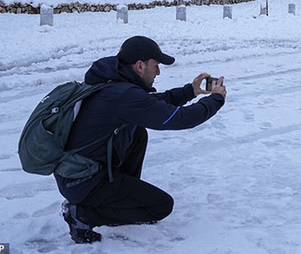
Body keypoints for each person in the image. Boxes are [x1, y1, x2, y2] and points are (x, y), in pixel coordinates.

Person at [56, 35, 226, 244]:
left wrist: (189, 91)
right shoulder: (123, 95)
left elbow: (150, 103)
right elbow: (180, 119)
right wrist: (216, 99)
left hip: (77, 175)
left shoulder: (114, 84)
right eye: (155, 66)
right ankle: (83, 214)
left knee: (137, 133)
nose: (158, 72)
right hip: (84, 181)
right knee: (160, 206)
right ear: (139, 66)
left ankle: (115, 201)